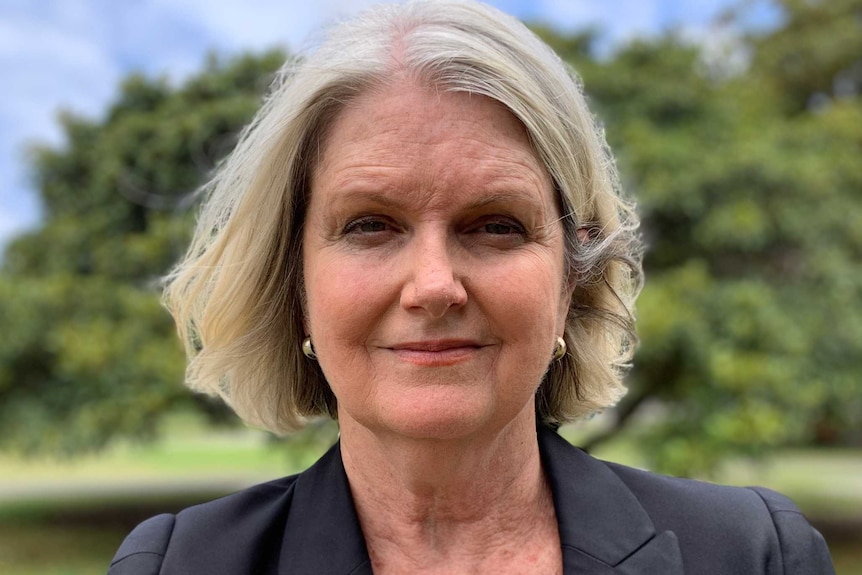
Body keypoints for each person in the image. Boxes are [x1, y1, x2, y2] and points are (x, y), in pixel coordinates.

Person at [107, 1, 835, 573]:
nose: (433, 285)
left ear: (571, 280)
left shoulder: (753, 554)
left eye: (495, 226)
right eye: (369, 225)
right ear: (294, 280)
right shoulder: (174, 565)